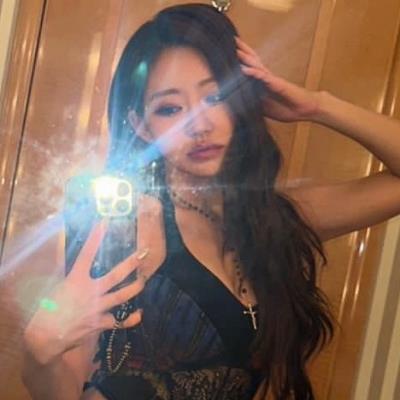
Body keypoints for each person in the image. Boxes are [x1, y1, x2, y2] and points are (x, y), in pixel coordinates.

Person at [21, 3, 400, 400]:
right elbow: (65, 391)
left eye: (216, 96)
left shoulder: (275, 219)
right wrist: (40, 349)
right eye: (170, 108)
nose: (199, 125)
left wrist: (315, 106)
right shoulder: (124, 224)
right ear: (141, 125)